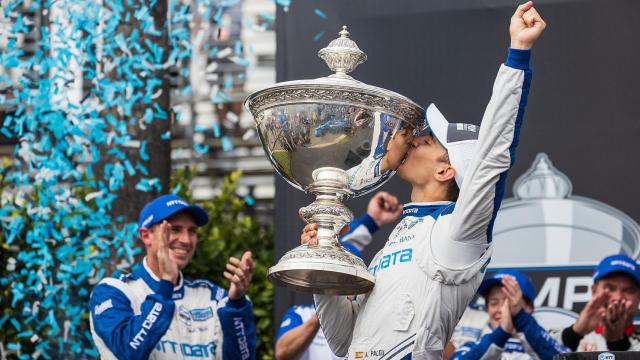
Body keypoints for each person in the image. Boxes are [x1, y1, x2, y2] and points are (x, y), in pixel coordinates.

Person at [303, 2, 547, 358]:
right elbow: (343, 342)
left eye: (429, 140)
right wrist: (323, 262)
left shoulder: (459, 234)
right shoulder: (397, 239)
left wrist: (518, 54)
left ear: (446, 170)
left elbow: (496, 152)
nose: (414, 139)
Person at [89, 194, 256, 359]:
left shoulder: (214, 297)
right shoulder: (114, 291)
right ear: (146, 236)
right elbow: (129, 351)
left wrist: (236, 304)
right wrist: (166, 284)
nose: (186, 240)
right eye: (174, 229)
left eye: (192, 231)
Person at [278, 192, 403, 360]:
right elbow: (282, 353)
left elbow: (349, 246)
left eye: (349, 276)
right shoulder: (300, 314)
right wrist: (323, 314)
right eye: (339, 275)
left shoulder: (366, 310)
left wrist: (373, 220)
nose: (344, 278)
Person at [450, 271, 569, 359]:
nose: (502, 310)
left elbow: (562, 357)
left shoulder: (547, 342)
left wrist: (521, 319)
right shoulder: (470, 347)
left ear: (529, 308)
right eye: (494, 302)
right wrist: (502, 333)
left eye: (509, 301)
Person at [549, 254, 640, 352]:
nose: (618, 297)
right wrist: (574, 333)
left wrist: (617, 343)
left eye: (628, 290)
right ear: (594, 290)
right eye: (610, 288)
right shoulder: (562, 338)